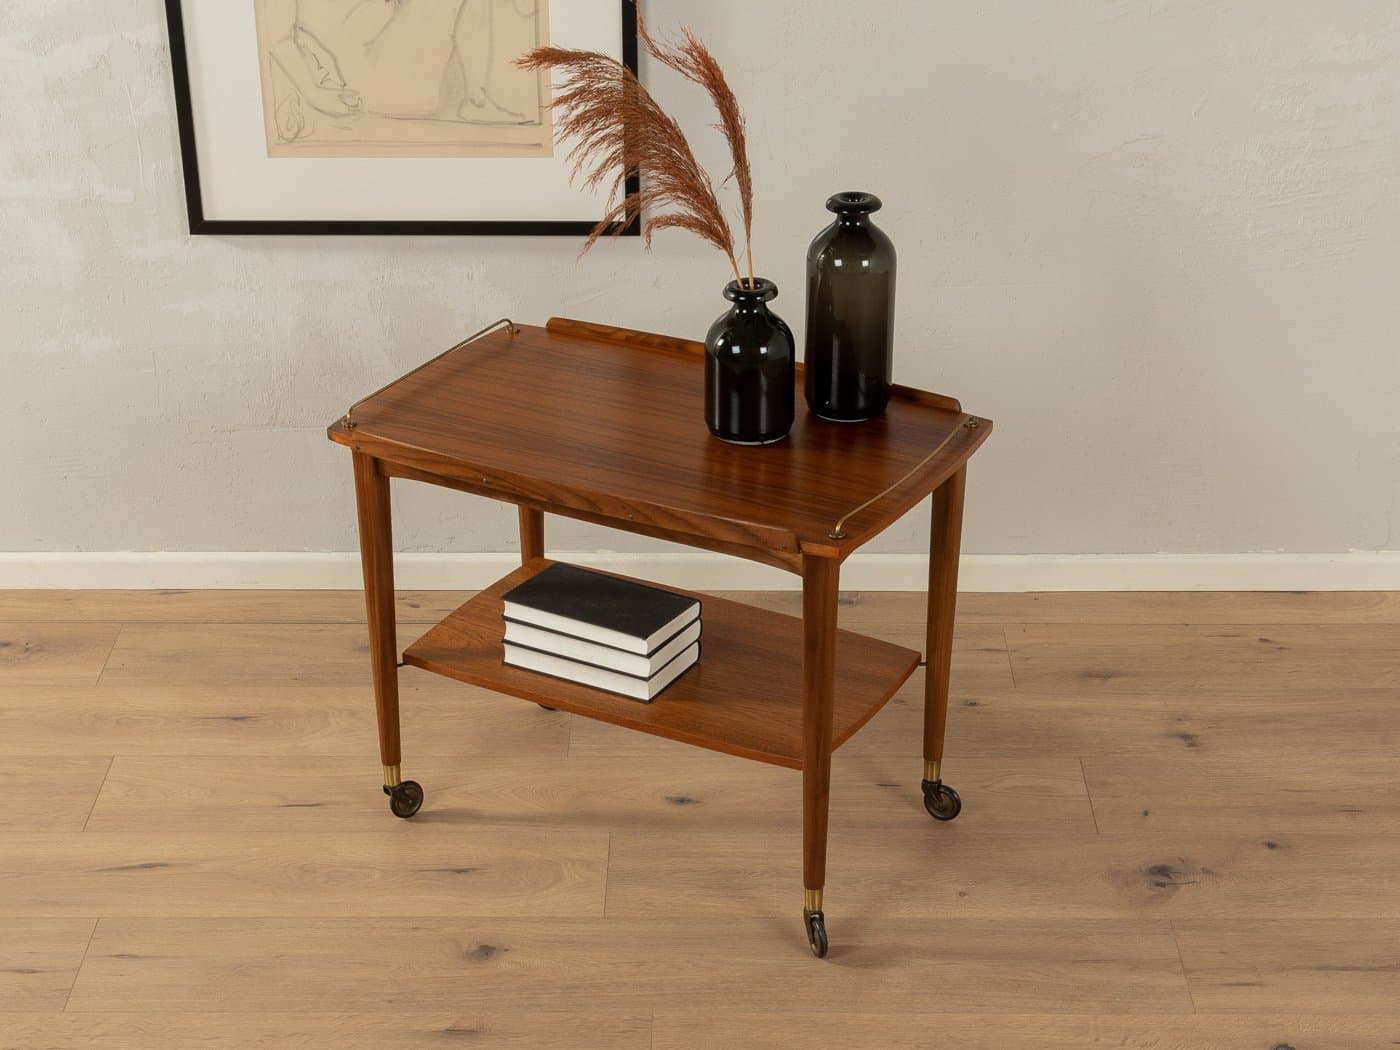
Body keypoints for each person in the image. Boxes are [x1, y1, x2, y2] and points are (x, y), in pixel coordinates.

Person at [267, 0, 530, 141]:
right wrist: (316, 94)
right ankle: (477, 101)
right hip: (359, 83)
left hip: (384, 62)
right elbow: (276, 38)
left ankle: (477, 99)